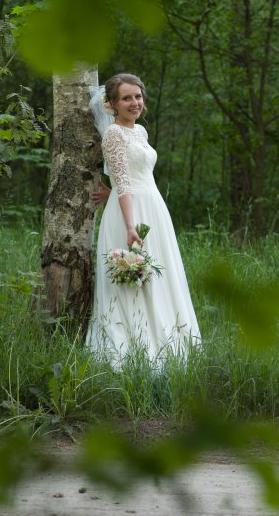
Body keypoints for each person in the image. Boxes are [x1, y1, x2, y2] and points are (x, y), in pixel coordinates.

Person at [86, 73, 201, 367]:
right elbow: (124, 184)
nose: (134, 103)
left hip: (154, 208)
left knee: (159, 275)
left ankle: (167, 344)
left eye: (137, 96)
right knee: (132, 281)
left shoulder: (140, 132)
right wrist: (129, 226)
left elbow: (131, 175)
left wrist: (110, 192)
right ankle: (134, 350)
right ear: (112, 104)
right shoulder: (113, 134)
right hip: (131, 215)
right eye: (126, 98)